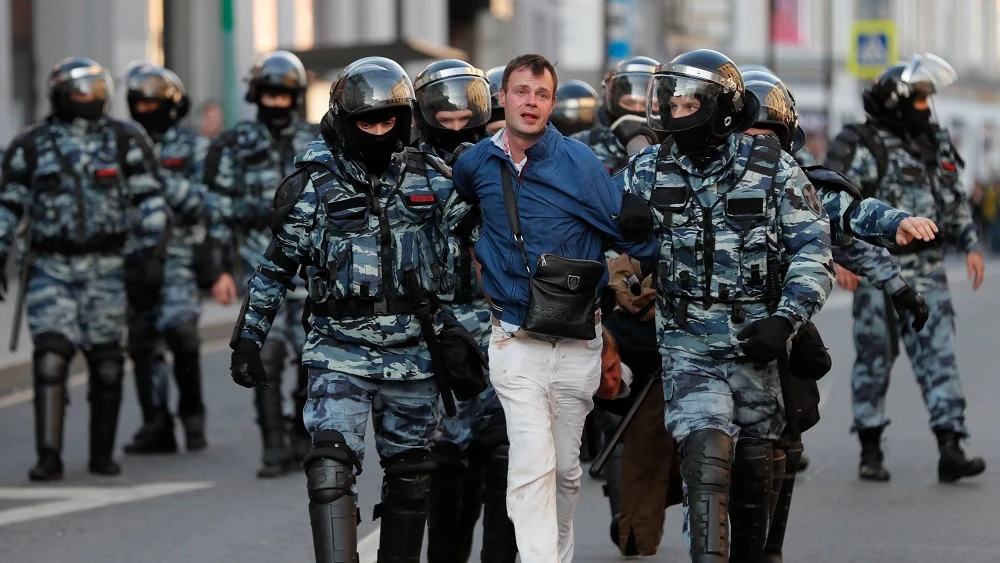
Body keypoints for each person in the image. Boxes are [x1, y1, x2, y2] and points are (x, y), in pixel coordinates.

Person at [230, 55, 473, 563]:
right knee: (329, 467)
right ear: (345, 122)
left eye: (389, 121)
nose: (380, 131)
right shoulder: (313, 186)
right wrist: (249, 338)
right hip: (338, 349)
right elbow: (274, 270)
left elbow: (481, 246)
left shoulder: (434, 179)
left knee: (411, 475)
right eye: (368, 122)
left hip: (414, 353)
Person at [619, 49, 834, 561]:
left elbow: (813, 249)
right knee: (705, 453)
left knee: (755, 468)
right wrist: (622, 239)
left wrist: (786, 319)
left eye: (689, 100)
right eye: (671, 98)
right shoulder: (645, 170)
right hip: (687, 344)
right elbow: (605, 246)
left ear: (721, 109)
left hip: (757, 343)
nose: (674, 109)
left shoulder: (773, 169)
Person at [452, 53, 656, 563]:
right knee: (530, 463)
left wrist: (647, 238)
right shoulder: (476, 163)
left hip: (576, 341)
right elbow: (456, 213)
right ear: (502, 97)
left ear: (551, 103)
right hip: (514, 340)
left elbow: (630, 233)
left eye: (541, 94)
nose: (531, 102)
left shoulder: (580, 164)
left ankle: (554, 554)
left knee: (565, 470)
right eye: (521, 91)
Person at [741, 70, 936, 563]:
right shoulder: (693, 176)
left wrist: (900, 287)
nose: (756, 148)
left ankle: (770, 547)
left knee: (788, 437)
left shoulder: (798, 185)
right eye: (746, 136)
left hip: (779, 327)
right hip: (700, 337)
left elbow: (848, 222)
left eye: (767, 138)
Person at [0, 57, 167, 480]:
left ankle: (101, 455)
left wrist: (152, 254)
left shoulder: (126, 138)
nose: (90, 98)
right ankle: (49, 456)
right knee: (51, 358)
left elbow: (149, 198)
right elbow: (8, 204)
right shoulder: (31, 145)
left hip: (108, 267)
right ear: (59, 95)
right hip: (50, 267)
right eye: (80, 91)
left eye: (96, 90)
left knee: (108, 363)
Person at [826, 53, 987, 484]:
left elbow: (952, 200)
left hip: (928, 270)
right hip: (877, 272)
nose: (926, 107)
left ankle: (951, 445)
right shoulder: (861, 143)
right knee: (874, 360)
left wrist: (970, 244)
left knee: (939, 356)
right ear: (896, 101)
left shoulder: (932, 140)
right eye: (918, 99)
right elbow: (835, 203)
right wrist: (840, 257)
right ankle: (870, 447)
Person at [408, 58, 515, 563]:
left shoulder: (509, 161)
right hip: (437, 331)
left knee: (503, 455)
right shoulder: (401, 168)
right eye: (443, 120)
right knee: (447, 462)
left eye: (463, 120)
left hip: (502, 325)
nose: (455, 130)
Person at [204, 50, 318, 478]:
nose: (276, 103)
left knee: (314, 358)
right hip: (260, 267)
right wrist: (218, 270)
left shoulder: (318, 140)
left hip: (311, 269)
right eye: (268, 95)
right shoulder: (234, 144)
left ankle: (301, 435)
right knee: (263, 353)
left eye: (283, 95)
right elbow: (217, 210)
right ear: (256, 96)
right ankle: (272, 445)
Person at [118, 63, 211, 454]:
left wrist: (156, 174)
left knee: (181, 332)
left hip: (177, 258)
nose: (144, 108)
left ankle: (192, 415)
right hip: (132, 257)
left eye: (152, 102)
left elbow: (203, 203)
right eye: (137, 102)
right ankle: (155, 422)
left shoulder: (193, 147)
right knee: (141, 340)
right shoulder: (120, 144)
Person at [573, 56, 662, 173]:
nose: (637, 110)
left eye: (648, 104)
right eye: (629, 102)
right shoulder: (582, 146)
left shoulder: (676, 151)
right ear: (613, 102)